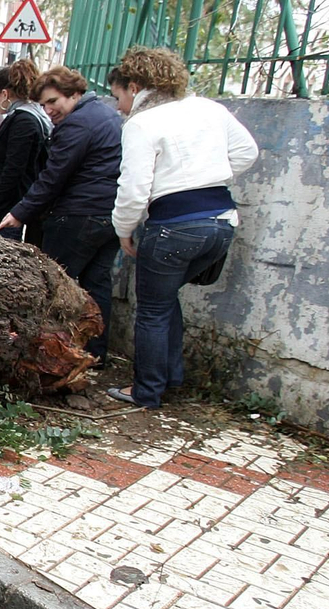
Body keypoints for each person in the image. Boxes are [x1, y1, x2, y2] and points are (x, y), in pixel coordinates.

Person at [107, 46, 260, 408]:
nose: (118, 106)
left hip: (173, 228)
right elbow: (247, 152)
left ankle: (146, 391)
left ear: (134, 86)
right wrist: (206, 177)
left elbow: (133, 190)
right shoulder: (209, 108)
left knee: (152, 309)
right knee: (164, 299)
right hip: (221, 223)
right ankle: (170, 377)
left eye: (118, 96)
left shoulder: (141, 124)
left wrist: (123, 230)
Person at [0, 66, 123, 363]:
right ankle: (94, 354)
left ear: (74, 94)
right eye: (43, 104)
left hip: (78, 217)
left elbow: (53, 177)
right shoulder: (107, 115)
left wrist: (19, 213)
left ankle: (46, 357)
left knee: (52, 286)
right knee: (97, 284)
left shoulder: (78, 124)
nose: (48, 110)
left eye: (53, 101)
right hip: (110, 215)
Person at [0, 58, 51, 243]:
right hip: (7, 205)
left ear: (5, 94)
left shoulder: (23, 121)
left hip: (5, 209)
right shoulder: (32, 117)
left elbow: (13, 170)